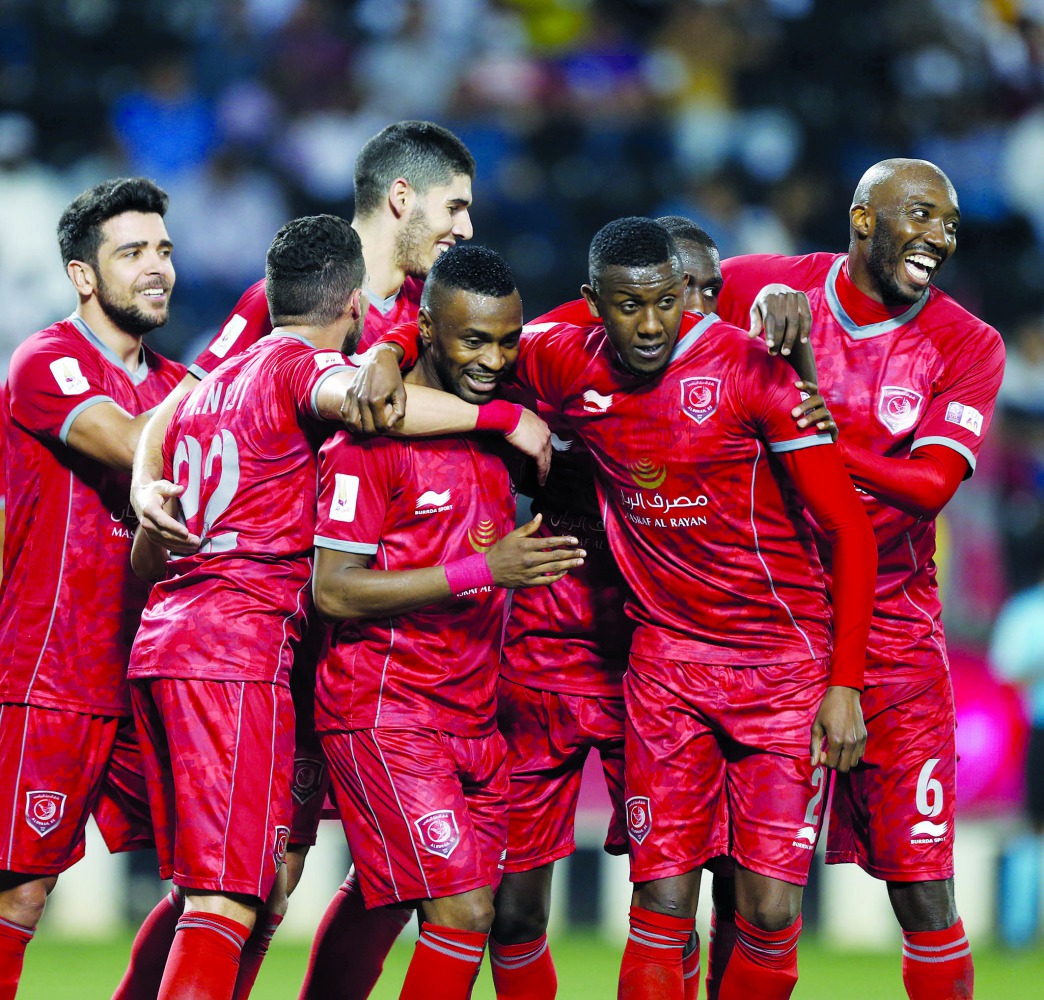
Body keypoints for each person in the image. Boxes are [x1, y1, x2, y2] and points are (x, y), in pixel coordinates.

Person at [357, 217, 877, 1000]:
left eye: (667, 302)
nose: (651, 324)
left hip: (777, 670)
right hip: (662, 666)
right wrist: (386, 353)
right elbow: (460, 335)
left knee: (766, 911)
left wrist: (845, 684)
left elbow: (848, 529)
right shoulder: (563, 358)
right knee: (659, 902)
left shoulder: (750, 371)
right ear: (593, 304)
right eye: (628, 306)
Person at [123, 218, 551, 1000]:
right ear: (354, 306)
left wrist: (144, 491)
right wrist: (501, 417)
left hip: (169, 640)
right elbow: (370, 405)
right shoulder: (299, 369)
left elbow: (145, 544)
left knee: (234, 889)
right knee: (228, 898)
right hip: (239, 652)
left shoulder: (206, 389)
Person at [714, 158, 1006, 1000]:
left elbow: (930, 486)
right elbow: (628, 303)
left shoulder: (966, 344)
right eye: (920, 215)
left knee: (924, 890)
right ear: (863, 219)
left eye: (950, 224)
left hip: (892, 636)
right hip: (771, 624)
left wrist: (818, 444)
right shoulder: (764, 285)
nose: (939, 238)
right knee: (755, 894)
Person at [309, 243, 584, 1000]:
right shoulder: (368, 444)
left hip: (475, 719)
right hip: (385, 711)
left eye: (506, 341)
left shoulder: (497, 437)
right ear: (426, 331)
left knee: (417, 903)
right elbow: (333, 590)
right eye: (473, 339)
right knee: (462, 911)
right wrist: (482, 574)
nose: (494, 359)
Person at [0, 177, 186, 997]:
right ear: (84, 276)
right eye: (133, 253)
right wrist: (234, 373)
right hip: (52, 676)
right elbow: (137, 442)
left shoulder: (178, 379)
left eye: (165, 251)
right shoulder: (47, 361)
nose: (158, 270)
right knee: (22, 890)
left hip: (155, 678)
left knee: (232, 879)